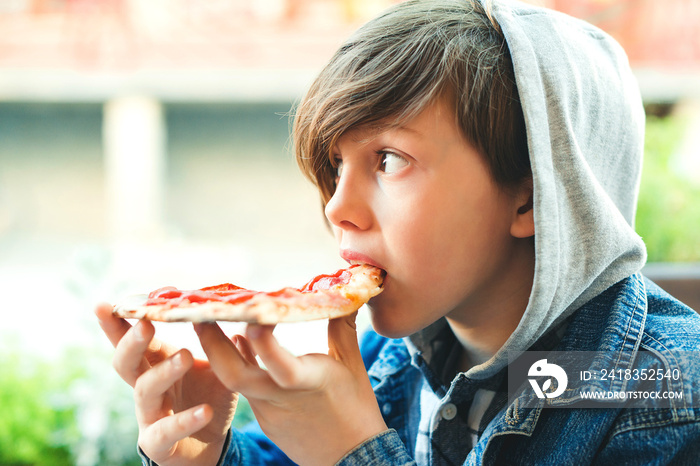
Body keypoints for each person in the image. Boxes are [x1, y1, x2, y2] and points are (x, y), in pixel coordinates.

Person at [95, 0, 700, 464]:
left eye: (389, 160)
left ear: (532, 193)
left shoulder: (666, 396)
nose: (337, 208)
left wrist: (354, 452)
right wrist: (207, 449)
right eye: (335, 167)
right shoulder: (392, 356)